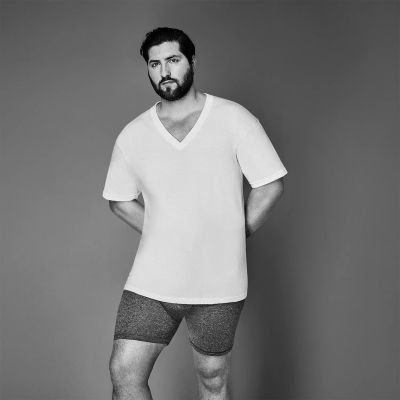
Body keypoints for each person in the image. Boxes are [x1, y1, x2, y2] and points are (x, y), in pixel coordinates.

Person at [102, 27, 288, 400]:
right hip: (153, 280)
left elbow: (270, 185)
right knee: (124, 370)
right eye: (154, 64)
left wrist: (233, 233)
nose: (164, 71)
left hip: (218, 281)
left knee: (212, 379)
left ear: (192, 61)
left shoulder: (234, 119)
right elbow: (119, 200)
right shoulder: (133, 135)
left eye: (172, 60)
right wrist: (163, 233)